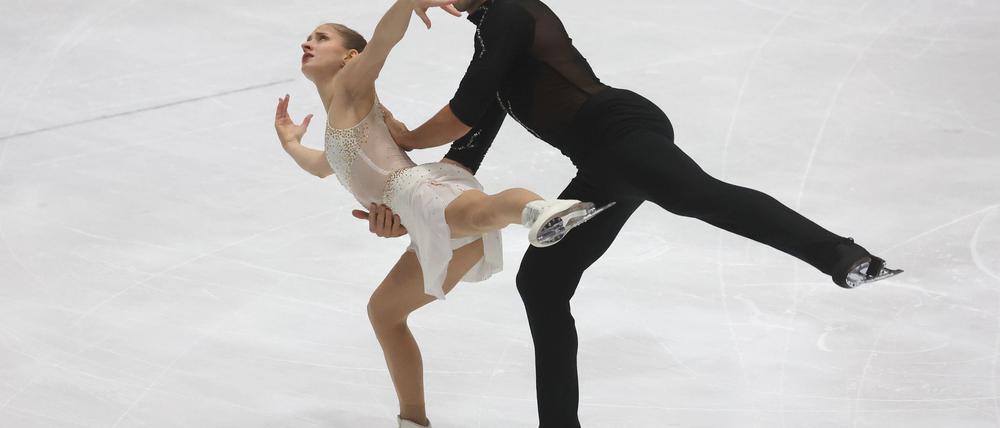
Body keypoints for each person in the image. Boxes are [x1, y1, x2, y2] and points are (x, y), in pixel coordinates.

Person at [362, 0, 904, 426]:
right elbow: (466, 151)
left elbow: (462, 113)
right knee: (543, 280)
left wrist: (404, 136)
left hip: (617, 129)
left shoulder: (510, 11)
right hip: (601, 162)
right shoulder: (492, 41)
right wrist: (410, 205)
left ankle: (841, 255)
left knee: (694, 195)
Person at [274, 1, 609, 426]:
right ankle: (413, 422)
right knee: (385, 313)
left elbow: (383, 42)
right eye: (309, 36)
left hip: (419, 192)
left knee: (484, 213)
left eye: (321, 37)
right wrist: (290, 144)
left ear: (349, 57)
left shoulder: (351, 88)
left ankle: (541, 210)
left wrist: (406, 3)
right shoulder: (339, 119)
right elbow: (322, 165)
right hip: (417, 217)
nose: (307, 42)